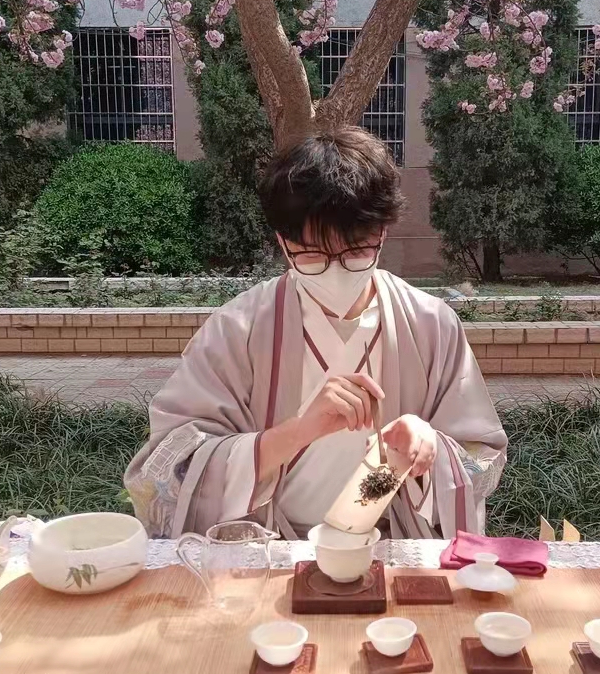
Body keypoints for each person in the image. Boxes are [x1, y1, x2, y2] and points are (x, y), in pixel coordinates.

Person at [125, 127, 507, 540]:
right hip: (270, 546)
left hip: (390, 543)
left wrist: (430, 449)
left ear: (382, 233)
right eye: (311, 254)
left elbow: (481, 455)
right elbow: (165, 472)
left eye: (355, 251)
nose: (335, 270)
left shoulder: (430, 324)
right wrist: (298, 432)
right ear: (282, 241)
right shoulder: (237, 329)